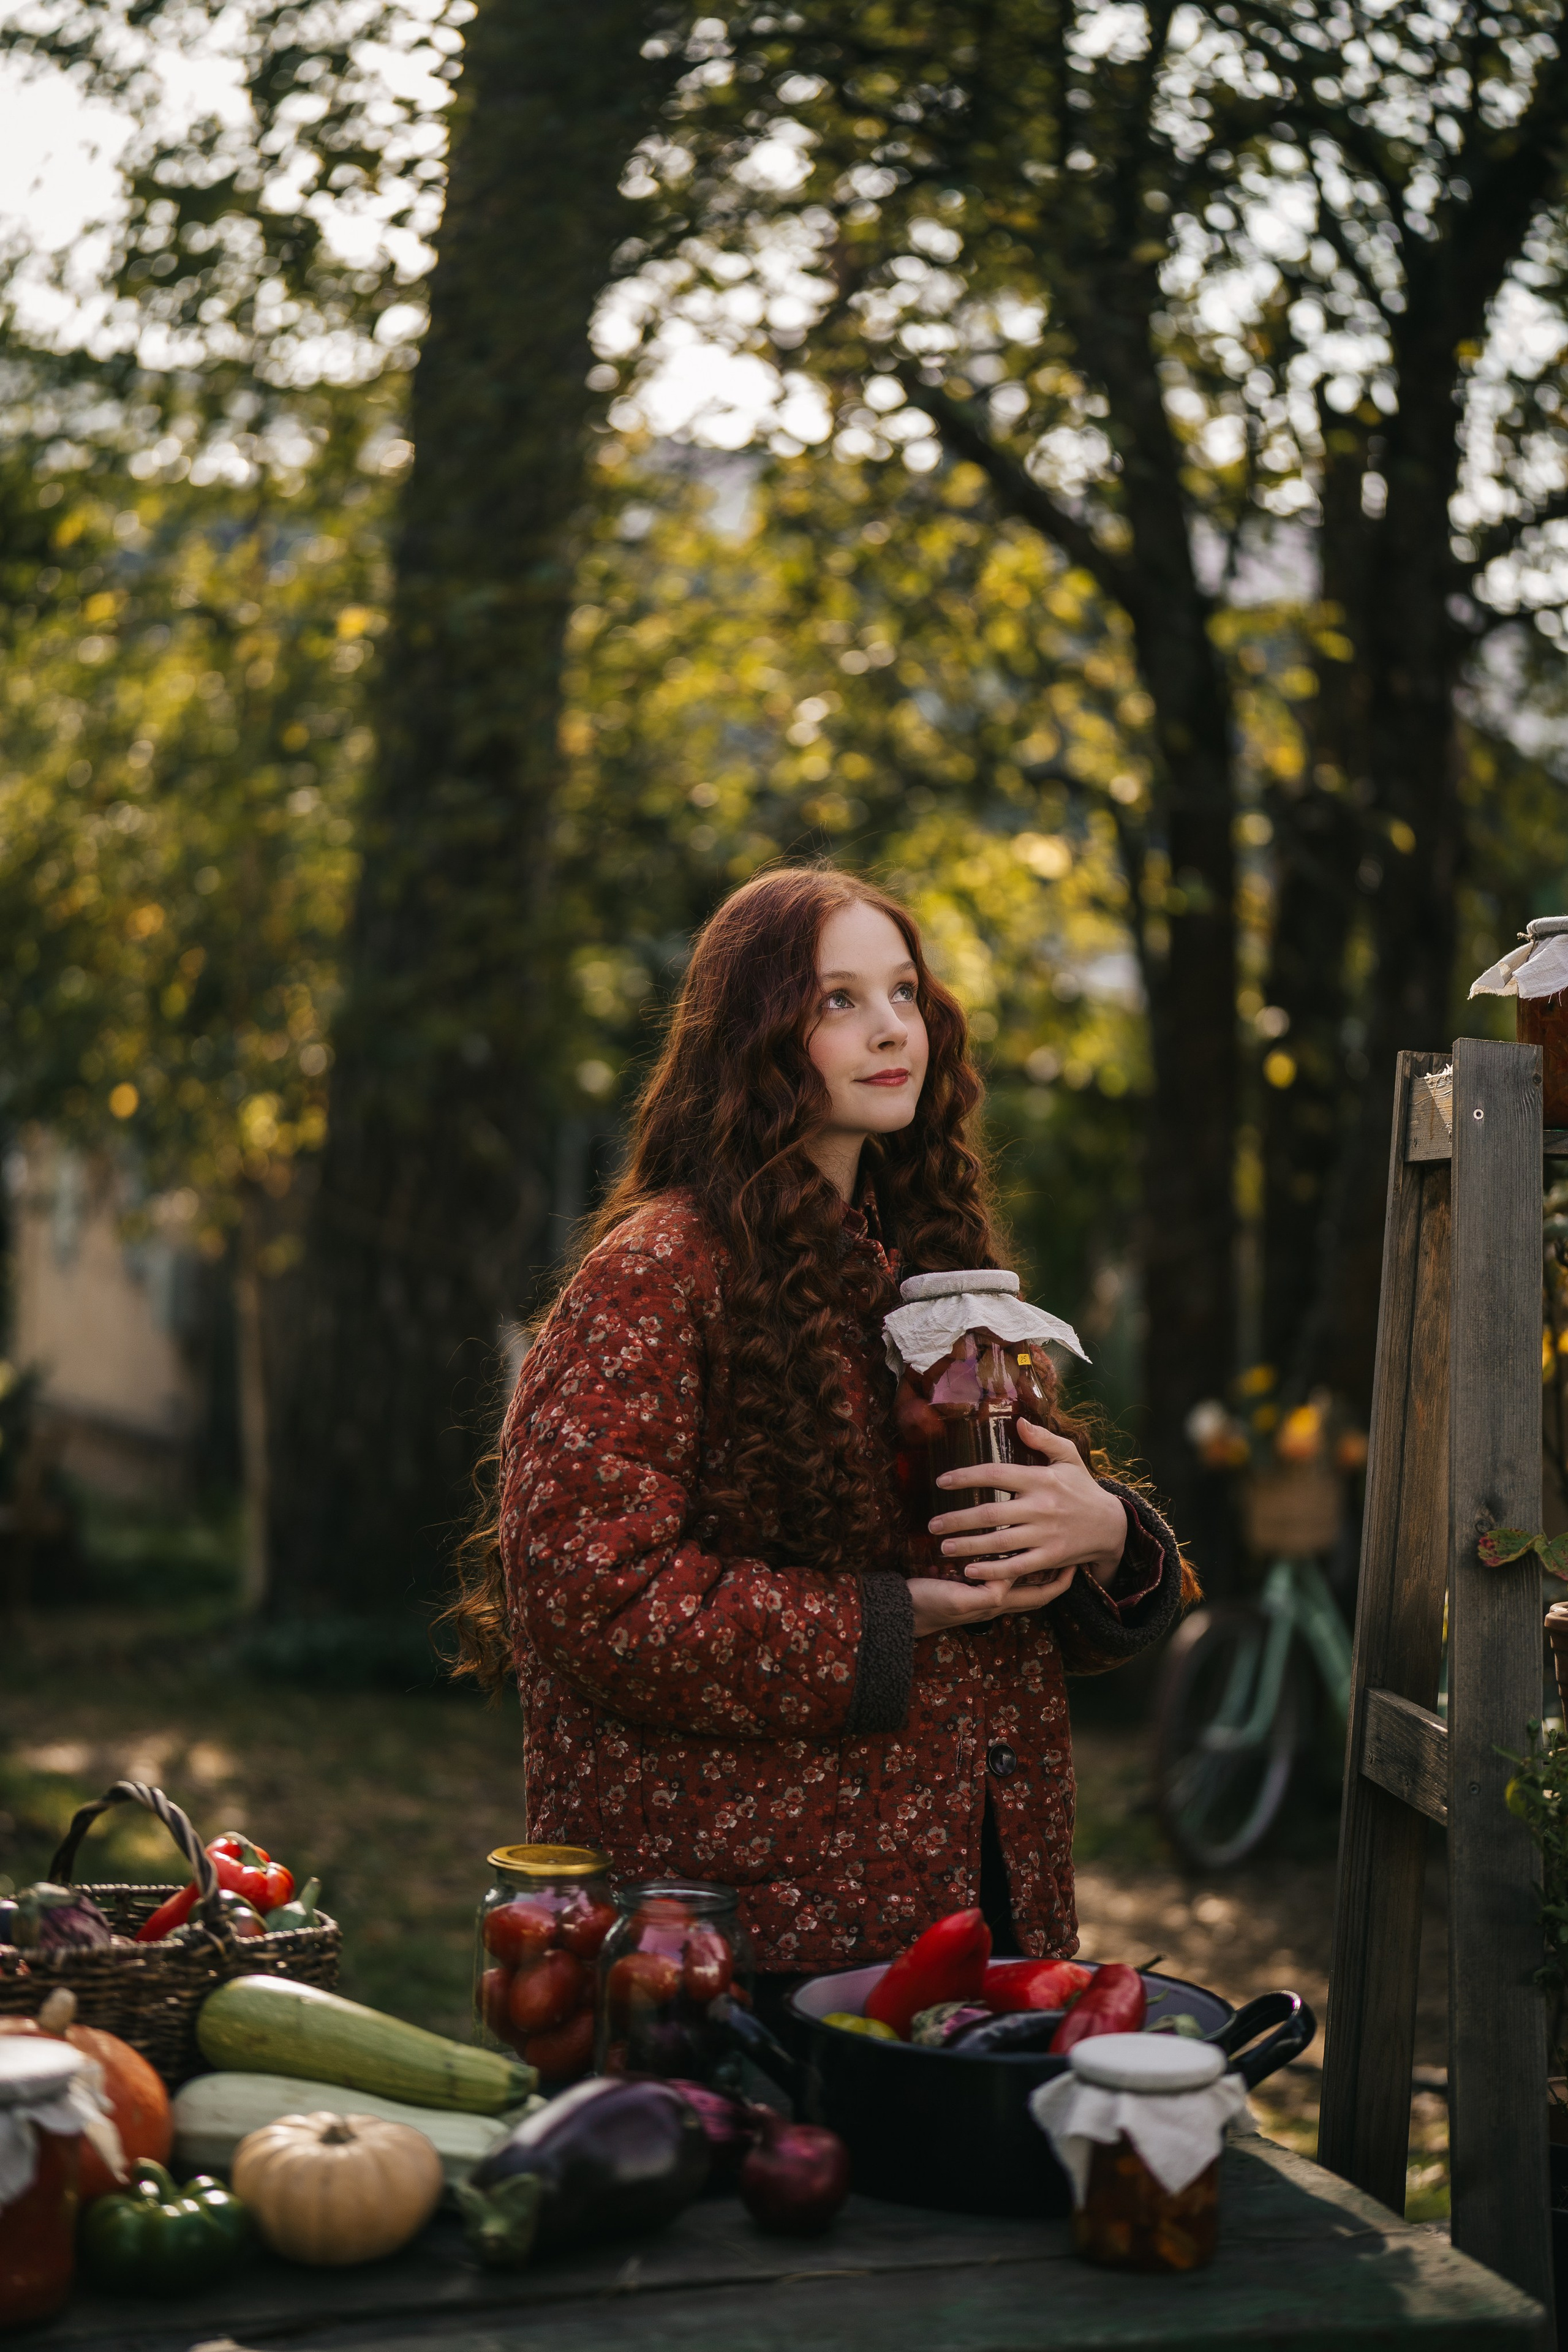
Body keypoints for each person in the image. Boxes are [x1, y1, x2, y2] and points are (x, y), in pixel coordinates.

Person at [445, 866, 1189, 1993]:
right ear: (752, 1035)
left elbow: (1011, 1592)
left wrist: (1103, 1534)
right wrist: (896, 1621)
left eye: (903, 993)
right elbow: (590, 1595)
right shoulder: (658, 1275)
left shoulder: (930, 1264)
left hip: (975, 1894)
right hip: (746, 1938)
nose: (891, 1028)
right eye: (838, 1000)